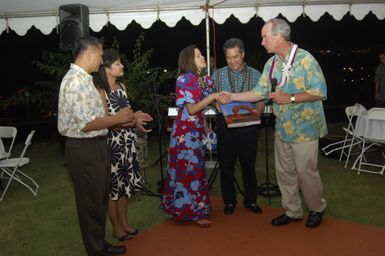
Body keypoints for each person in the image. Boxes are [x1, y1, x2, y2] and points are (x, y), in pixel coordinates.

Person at [227, 18, 327, 228]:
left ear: (278, 37)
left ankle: (317, 208)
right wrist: (232, 96)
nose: (262, 42)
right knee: (284, 172)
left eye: (265, 37)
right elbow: (258, 93)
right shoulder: (271, 64)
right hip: (282, 129)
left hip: (306, 130)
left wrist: (289, 98)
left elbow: (320, 93)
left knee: (306, 173)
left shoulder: (305, 59)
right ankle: (293, 211)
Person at [58, 37, 132, 256]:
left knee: (99, 199)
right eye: (100, 56)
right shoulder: (75, 82)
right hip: (84, 148)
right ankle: (96, 250)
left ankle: (99, 244)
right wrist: (117, 118)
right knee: (90, 203)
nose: (101, 61)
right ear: (89, 53)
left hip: (95, 145)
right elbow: (87, 124)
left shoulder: (85, 80)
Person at [160, 45, 224, 227]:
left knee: (193, 171)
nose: (203, 57)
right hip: (185, 136)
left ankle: (189, 209)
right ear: (189, 60)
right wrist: (212, 99)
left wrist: (206, 128)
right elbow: (192, 108)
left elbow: (199, 110)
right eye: (198, 55)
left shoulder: (201, 80)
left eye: (201, 54)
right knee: (189, 172)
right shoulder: (186, 79)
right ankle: (193, 212)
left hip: (194, 133)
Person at [93, 49, 153, 242]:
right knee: (113, 189)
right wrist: (126, 121)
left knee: (125, 185)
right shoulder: (101, 91)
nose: (122, 66)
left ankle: (125, 223)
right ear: (107, 68)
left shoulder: (122, 86)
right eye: (117, 63)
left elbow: (128, 113)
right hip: (112, 144)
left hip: (127, 142)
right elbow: (104, 120)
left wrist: (136, 119)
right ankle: (116, 228)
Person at [212, 38, 264, 215]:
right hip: (225, 123)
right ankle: (229, 201)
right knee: (226, 164)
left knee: (248, 164)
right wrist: (215, 105)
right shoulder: (217, 75)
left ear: (243, 54)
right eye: (228, 58)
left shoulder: (256, 74)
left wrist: (258, 111)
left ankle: (251, 200)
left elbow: (261, 99)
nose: (232, 61)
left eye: (235, 56)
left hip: (249, 124)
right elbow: (212, 98)